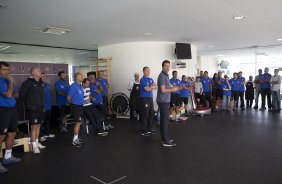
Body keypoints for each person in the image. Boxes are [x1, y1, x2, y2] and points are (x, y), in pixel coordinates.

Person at [0, 61, 21, 174]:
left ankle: (8, 157)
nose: (7, 72)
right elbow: (8, 95)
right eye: (4, 69)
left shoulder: (7, 80)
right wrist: (11, 83)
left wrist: (10, 88)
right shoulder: (3, 81)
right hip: (2, 111)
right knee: (1, 136)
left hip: (12, 110)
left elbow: (16, 95)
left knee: (12, 133)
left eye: (8, 69)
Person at [20, 66, 46, 154]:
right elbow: (22, 96)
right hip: (32, 109)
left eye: (40, 70)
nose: (40, 72)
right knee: (33, 127)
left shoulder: (41, 82)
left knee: (38, 126)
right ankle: (33, 145)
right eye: (38, 71)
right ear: (33, 73)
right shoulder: (27, 83)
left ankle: (37, 142)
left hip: (40, 108)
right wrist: (30, 106)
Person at [157, 60, 178, 147]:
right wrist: (172, 90)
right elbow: (163, 90)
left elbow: (167, 86)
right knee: (165, 121)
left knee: (163, 121)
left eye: (169, 66)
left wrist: (172, 87)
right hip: (163, 101)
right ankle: (165, 142)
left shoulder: (166, 76)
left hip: (165, 101)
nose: (168, 67)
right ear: (162, 67)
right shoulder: (162, 76)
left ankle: (164, 139)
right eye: (166, 66)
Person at [67, 72, 84, 147]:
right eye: (81, 76)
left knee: (79, 123)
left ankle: (76, 137)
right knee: (77, 123)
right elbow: (68, 97)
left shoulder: (80, 85)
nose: (82, 77)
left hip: (80, 106)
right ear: (77, 77)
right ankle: (74, 140)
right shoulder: (73, 86)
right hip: (76, 107)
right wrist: (71, 104)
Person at [139, 67, 157, 136]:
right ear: (143, 71)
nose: (149, 71)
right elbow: (147, 89)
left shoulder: (150, 79)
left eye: (149, 70)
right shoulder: (142, 80)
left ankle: (149, 128)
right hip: (144, 99)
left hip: (150, 98)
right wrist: (151, 87)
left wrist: (151, 87)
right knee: (145, 114)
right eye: (147, 70)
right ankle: (144, 130)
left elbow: (156, 86)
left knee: (151, 113)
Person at [40, 73, 55, 142]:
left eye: (44, 76)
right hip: (42, 107)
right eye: (42, 76)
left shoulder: (47, 85)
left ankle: (47, 133)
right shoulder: (38, 85)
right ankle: (41, 135)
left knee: (48, 121)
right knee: (42, 122)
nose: (43, 78)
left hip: (48, 106)